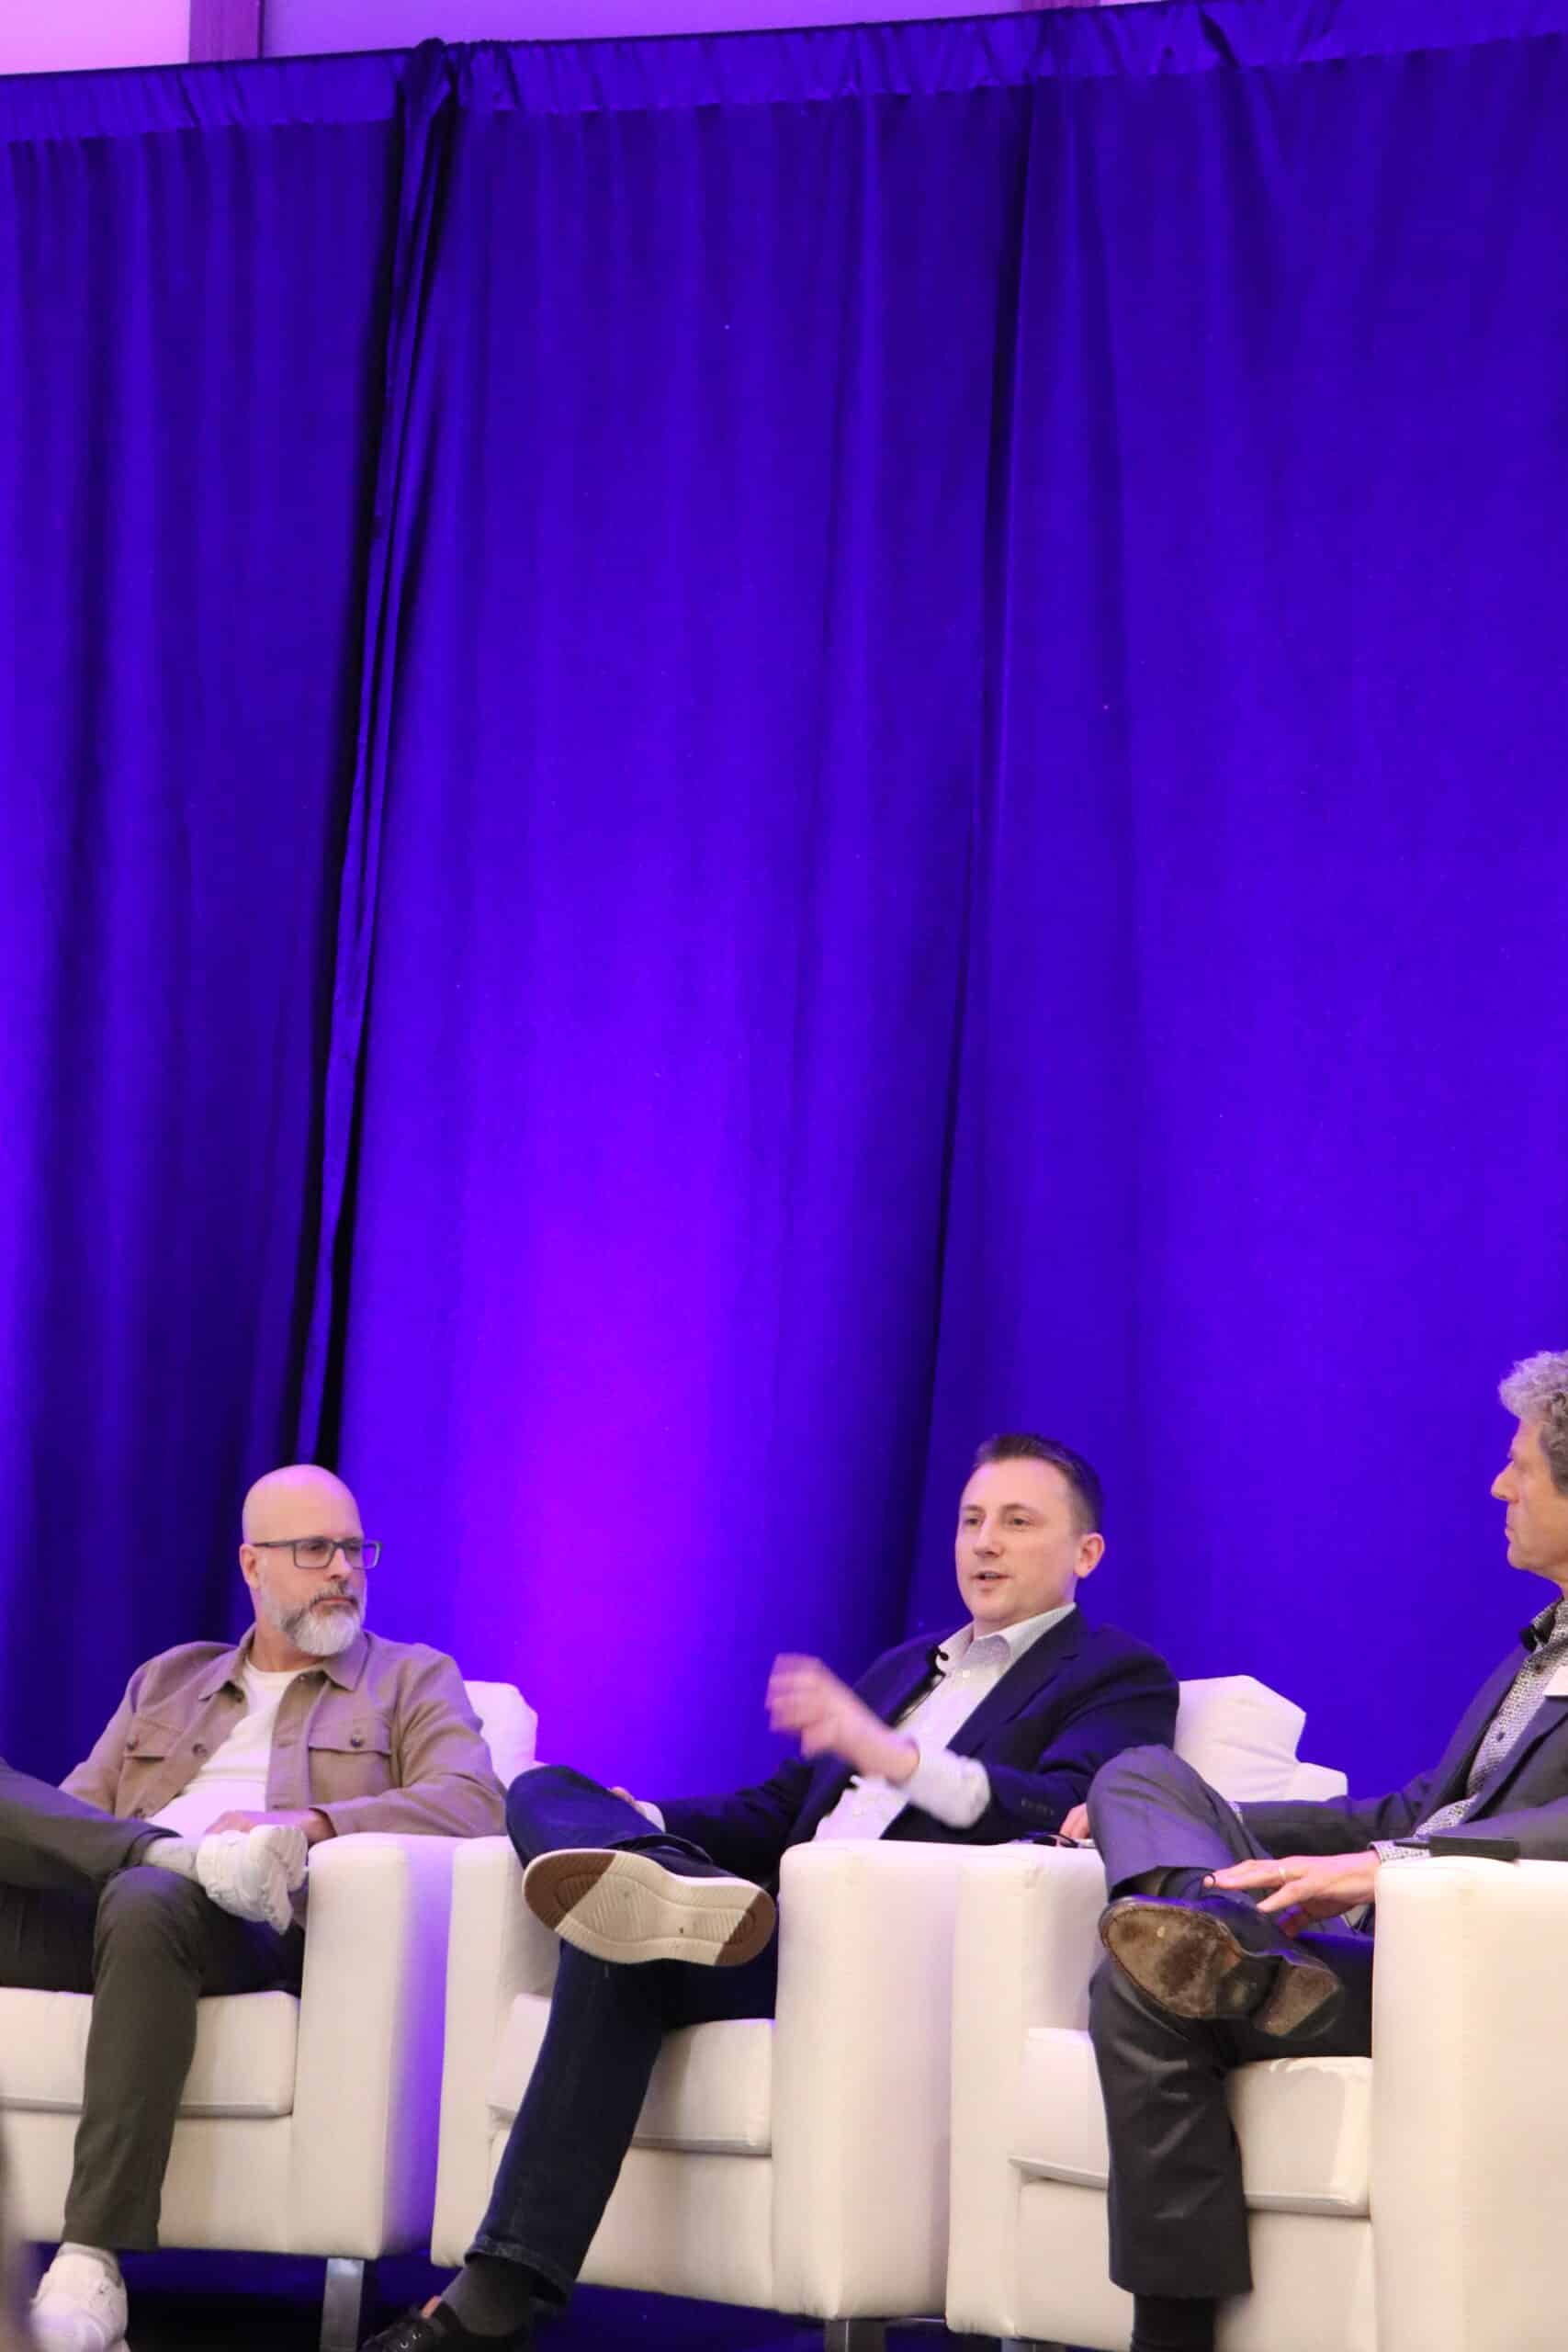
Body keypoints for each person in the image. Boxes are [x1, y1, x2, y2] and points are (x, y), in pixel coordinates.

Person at [364, 1430, 1179, 2352]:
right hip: (752, 1924)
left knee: (615, 1936)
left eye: (1017, 1522)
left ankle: (490, 2304)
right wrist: (641, 1816)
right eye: (970, 1521)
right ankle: (654, 1877)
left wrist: (893, 1756)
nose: (984, 1543)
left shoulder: (1118, 1676)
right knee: (548, 1797)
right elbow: (778, 1810)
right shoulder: (904, 1667)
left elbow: (1057, 1808)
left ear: (1085, 1553)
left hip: (871, 1953)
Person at [1076, 1351, 1568, 2352]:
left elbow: (1469, 1832)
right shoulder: (1538, 1649)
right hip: (1364, 1952)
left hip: (1464, 1973)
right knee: (1135, 1776)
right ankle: (1214, 1933)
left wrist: (1395, 1865)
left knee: (1135, 1984)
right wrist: (1204, 1820)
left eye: (1519, 1465)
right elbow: (1417, 1807)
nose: (1497, 1486)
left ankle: (1171, 2333)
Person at [6, 1464, 504, 2352]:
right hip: (116, 1903)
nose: (343, 1569)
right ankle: (166, 1850)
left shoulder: (410, 1679)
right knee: (109, 1865)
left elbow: (475, 1802)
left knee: (151, 1897)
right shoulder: (167, 1679)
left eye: (353, 1549)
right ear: (252, 1565)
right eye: (315, 1549)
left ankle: (90, 2266)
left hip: (251, 1924)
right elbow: (72, 1816)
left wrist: (307, 1824)